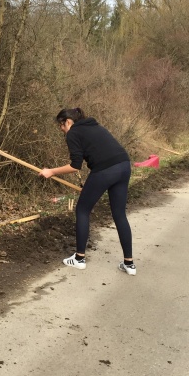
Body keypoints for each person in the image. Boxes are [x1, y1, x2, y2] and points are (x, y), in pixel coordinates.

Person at [39, 108, 136, 275]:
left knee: (82, 210)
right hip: (124, 165)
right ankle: (129, 264)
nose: (61, 129)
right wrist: (92, 185)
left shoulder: (73, 133)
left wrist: (51, 171)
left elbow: (75, 166)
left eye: (61, 125)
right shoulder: (95, 126)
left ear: (68, 122)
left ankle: (79, 259)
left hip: (105, 170)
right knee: (119, 214)